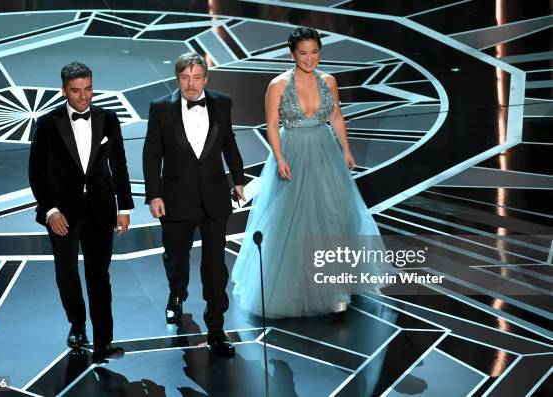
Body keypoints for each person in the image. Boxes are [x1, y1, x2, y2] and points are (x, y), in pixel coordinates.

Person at [231, 27, 391, 318]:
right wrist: (279, 157)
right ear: (292, 54)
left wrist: (346, 148)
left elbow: (336, 116)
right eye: (303, 53)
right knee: (291, 219)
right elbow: (270, 125)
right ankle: (296, 284)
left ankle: (335, 287)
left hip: (325, 151)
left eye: (314, 52)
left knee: (333, 214)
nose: (309, 58)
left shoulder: (329, 81)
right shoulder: (278, 85)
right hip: (292, 150)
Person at [28, 62, 134, 362]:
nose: (84, 97)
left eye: (88, 89)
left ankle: (103, 341)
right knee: (66, 274)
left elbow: (120, 166)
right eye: (76, 91)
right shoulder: (48, 124)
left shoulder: (108, 119)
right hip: (62, 213)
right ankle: (77, 323)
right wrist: (49, 211)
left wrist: (124, 207)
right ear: (64, 90)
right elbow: (36, 173)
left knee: (99, 276)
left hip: (100, 209)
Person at [143, 52, 245, 355]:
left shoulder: (222, 102)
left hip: (214, 198)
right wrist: (154, 194)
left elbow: (228, 141)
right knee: (176, 258)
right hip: (175, 199)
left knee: (215, 267)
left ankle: (216, 327)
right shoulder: (161, 109)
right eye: (185, 78)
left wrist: (237, 179)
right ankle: (176, 293)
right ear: (177, 78)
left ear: (206, 78)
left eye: (197, 77)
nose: (191, 84)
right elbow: (152, 154)